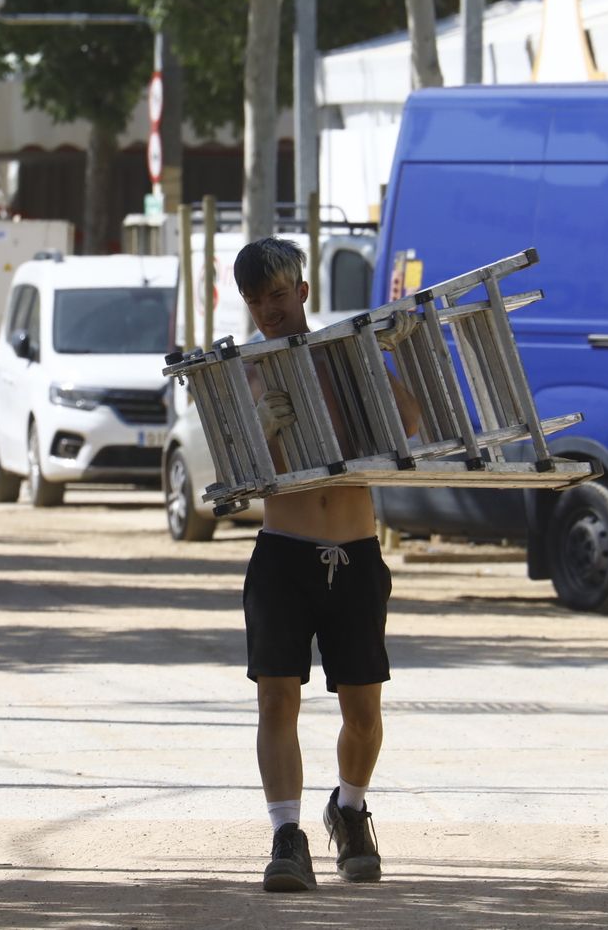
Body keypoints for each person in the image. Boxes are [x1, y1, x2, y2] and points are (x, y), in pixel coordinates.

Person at [233, 237, 421, 892]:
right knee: (277, 698)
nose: (269, 312)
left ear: (303, 292)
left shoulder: (345, 356)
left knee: (362, 708)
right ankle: (287, 835)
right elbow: (240, 478)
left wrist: (385, 364)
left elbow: (409, 424)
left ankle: (349, 809)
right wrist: (262, 431)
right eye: (256, 302)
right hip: (282, 553)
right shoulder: (248, 371)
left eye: (278, 297)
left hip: (355, 552)